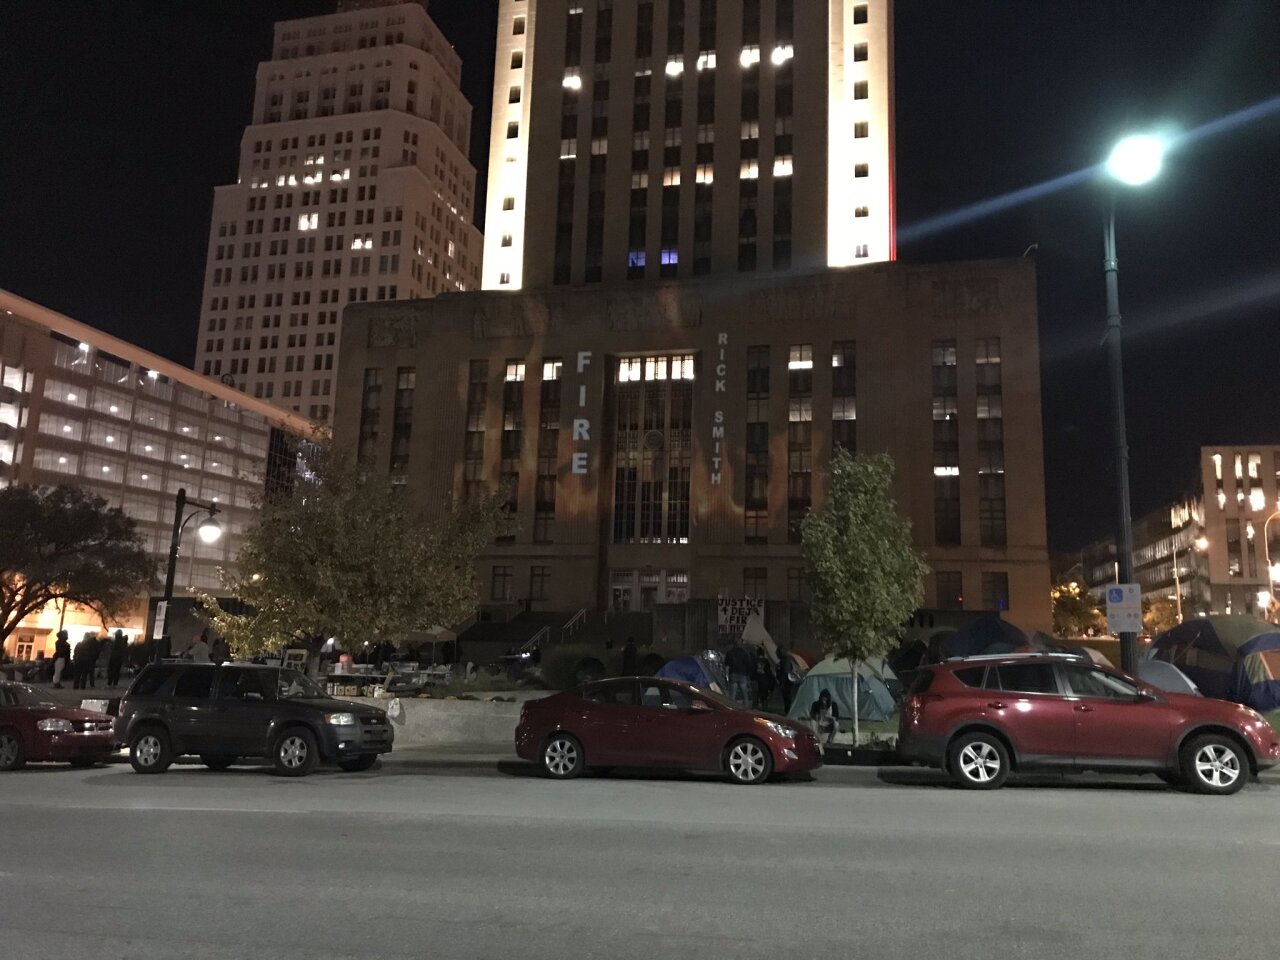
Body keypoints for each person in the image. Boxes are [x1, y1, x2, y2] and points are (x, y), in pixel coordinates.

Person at [724, 641, 753, 707]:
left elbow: (726, 663)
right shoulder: (745, 653)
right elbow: (748, 663)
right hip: (742, 673)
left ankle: (732, 707)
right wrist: (748, 673)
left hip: (733, 673)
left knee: (733, 693)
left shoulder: (730, 652)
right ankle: (746, 706)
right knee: (745, 692)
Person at [776, 646, 801, 713]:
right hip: (788, 682)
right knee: (787, 698)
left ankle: (788, 711)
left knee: (787, 698)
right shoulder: (787, 660)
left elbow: (785, 672)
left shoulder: (785, 661)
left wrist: (782, 683)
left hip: (787, 682)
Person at [753, 646, 775, 710]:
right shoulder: (766, 661)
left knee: (756, 696)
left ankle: (756, 709)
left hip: (756, 680)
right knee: (764, 697)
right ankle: (764, 709)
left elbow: (752, 670)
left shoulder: (755, 660)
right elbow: (768, 672)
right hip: (764, 681)